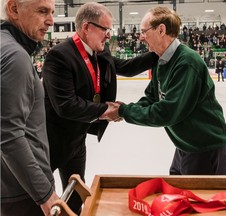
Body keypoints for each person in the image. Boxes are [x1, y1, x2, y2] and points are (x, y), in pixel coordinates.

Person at [42, 2, 158, 213]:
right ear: (87, 27)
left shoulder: (100, 53)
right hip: (50, 142)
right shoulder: (59, 56)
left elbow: (127, 67)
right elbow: (65, 106)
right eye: (105, 29)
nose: (109, 35)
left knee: (76, 194)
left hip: (77, 141)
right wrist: (105, 110)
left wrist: (160, 52)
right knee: (42, 199)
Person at [101, 6, 226, 176]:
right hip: (185, 146)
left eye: (143, 31)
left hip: (205, 149)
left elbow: (167, 112)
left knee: (195, 202)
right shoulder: (161, 58)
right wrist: (122, 109)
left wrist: (124, 111)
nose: (140, 37)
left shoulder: (186, 63)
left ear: (161, 30)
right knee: (176, 195)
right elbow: (151, 97)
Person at [0, 0, 59, 215]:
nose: (51, 20)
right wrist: (44, 194)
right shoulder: (15, 56)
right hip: (23, 193)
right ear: (14, 9)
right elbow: (8, 134)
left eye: (52, 12)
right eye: (42, 11)